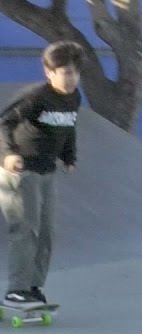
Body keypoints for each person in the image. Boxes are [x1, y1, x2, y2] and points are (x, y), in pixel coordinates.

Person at [0, 41, 83, 310]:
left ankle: (33, 287)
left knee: (46, 232)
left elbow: (68, 127)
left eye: (74, 72)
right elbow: (4, 122)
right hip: (20, 171)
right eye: (65, 73)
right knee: (25, 229)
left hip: (47, 171)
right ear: (49, 72)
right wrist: (8, 153)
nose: (71, 79)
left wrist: (69, 157)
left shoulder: (74, 97)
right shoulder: (36, 97)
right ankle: (15, 290)